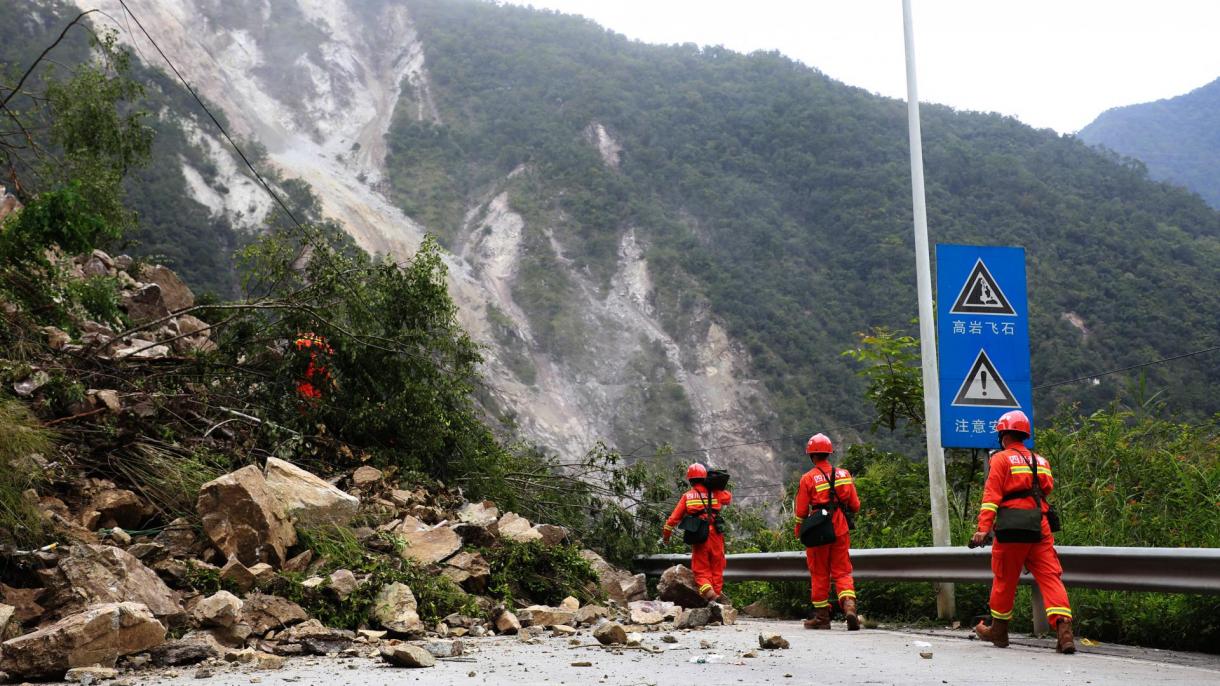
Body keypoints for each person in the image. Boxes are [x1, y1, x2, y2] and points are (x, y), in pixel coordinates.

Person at [971, 410, 1075, 654]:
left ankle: (999, 631)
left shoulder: (1000, 459)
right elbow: (1047, 489)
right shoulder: (1041, 460)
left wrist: (983, 529)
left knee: (1005, 579)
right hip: (1039, 525)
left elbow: (991, 498)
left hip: (1011, 528)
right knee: (1050, 576)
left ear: (1004, 435)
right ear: (1024, 435)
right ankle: (1065, 631)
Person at [793, 433, 861, 630]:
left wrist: (800, 531)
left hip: (818, 530)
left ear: (811, 456)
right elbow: (855, 506)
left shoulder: (807, 479)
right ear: (829, 453)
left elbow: (801, 511)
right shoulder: (844, 474)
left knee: (819, 572)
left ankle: (822, 618)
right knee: (842, 571)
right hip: (840, 527)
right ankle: (849, 606)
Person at [662, 463, 732, 602]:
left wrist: (666, 537)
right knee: (717, 567)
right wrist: (715, 487)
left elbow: (672, 520)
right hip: (716, 535)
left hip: (700, 535)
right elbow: (728, 498)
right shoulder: (716, 493)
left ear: (690, 480)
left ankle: (711, 596)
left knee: (701, 570)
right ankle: (717, 598)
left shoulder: (687, 496)